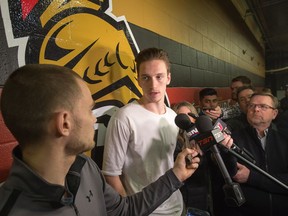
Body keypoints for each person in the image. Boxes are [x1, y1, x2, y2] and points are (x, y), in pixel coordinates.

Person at [0, 64, 202, 216]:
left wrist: (176, 175)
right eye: (89, 109)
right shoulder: (11, 209)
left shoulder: (87, 168)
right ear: (64, 123)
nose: (94, 118)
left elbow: (125, 210)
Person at [102, 48, 184, 215]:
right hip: (145, 211)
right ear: (138, 79)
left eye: (159, 77)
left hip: (177, 206)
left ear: (168, 77)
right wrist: (129, 211)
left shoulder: (172, 116)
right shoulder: (124, 118)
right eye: (146, 78)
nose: (153, 85)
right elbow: (110, 175)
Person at [221, 93, 288, 216]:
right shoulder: (233, 139)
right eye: (251, 106)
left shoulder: (285, 140)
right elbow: (230, 175)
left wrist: (252, 177)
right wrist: (224, 152)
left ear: (274, 113)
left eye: (263, 106)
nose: (256, 109)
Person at [172, 101, 211, 215]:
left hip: (205, 195)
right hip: (183, 196)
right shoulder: (173, 142)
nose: (187, 120)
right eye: (182, 117)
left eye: (189, 115)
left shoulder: (205, 137)